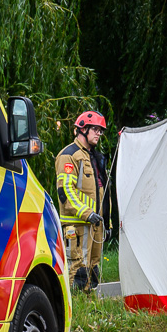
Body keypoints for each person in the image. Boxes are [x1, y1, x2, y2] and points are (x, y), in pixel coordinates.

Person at [55, 110, 108, 293]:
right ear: (83, 129)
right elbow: (66, 193)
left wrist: (103, 220)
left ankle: (89, 309)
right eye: (96, 129)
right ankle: (75, 310)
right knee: (78, 269)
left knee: (93, 269)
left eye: (101, 130)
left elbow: (99, 192)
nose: (99, 134)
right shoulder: (69, 155)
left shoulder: (92, 156)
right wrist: (87, 214)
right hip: (77, 224)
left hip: (94, 224)